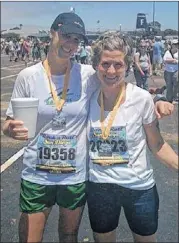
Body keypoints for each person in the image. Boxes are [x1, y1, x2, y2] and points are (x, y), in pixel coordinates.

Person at [2, 13, 174, 243]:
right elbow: (10, 123)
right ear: (52, 33)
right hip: (44, 174)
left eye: (76, 39)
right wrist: (9, 130)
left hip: (83, 178)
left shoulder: (87, 76)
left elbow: (119, 84)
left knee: (69, 235)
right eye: (66, 36)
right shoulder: (31, 77)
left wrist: (156, 100)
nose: (70, 44)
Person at [86, 31, 178, 243]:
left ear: (127, 66)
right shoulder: (88, 95)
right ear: (96, 65)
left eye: (118, 64)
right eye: (105, 64)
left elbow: (156, 145)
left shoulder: (142, 98)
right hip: (100, 186)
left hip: (138, 187)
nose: (111, 70)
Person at [163, 39, 178, 103]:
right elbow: (165, 60)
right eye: (175, 44)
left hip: (176, 71)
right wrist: (174, 60)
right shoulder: (167, 52)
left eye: (177, 44)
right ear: (172, 45)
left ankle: (175, 97)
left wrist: (170, 60)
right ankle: (169, 99)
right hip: (168, 71)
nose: (176, 45)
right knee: (169, 85)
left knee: (176, 84)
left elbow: (169, 60)